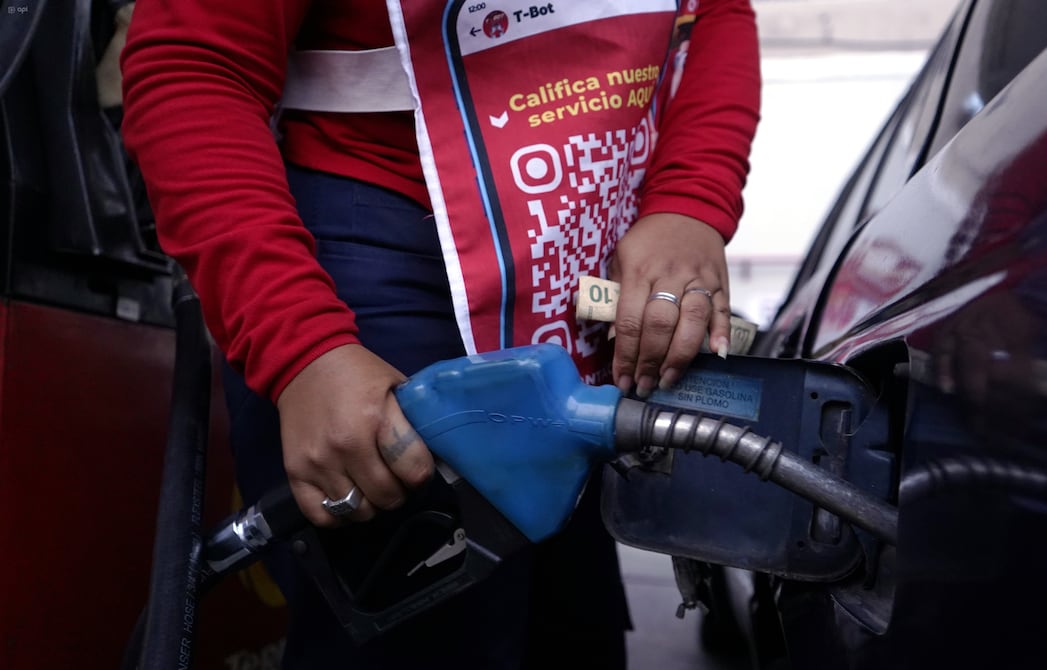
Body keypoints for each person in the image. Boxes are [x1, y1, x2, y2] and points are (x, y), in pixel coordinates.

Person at [119, 0, 760, 668]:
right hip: (372, 257)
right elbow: (194, 64)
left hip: (575, 256)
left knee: (567, 632)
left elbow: (715, 11)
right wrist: (301, 346)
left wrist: (689, 203)